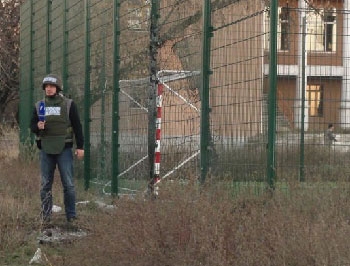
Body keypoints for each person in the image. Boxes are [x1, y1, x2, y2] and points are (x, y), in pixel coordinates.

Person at [30, 74, 84, 224]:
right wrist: (37, 127)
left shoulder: (68, 105)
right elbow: (32, 125)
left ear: (57, 88)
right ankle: (46, 216)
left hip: (64, 149)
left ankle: (71, 216)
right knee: (45, 184)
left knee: (68, 184)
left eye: (51, 86)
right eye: (46, 86)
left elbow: (77, 126)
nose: (49, 89)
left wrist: (80, 146)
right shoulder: (39, 105)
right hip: (46, 149)